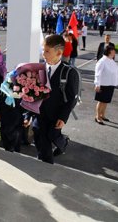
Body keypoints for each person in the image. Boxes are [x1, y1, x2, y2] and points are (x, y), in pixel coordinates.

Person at [38, 35, 79, 164]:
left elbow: (72, 98)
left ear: (59, 53)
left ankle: (62, 142)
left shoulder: (68, 72)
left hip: (56, 114)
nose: (43, 54)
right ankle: (45, 165)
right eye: (43, 50)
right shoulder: (40, 68)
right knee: (40, 137)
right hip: (40, 113)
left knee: (52, 135)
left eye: (47, 51)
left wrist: (63, 117)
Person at [94, 45, 118, 125]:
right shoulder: (102, 61)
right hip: (103, 84)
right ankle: (97, 117)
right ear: (109, 51)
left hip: (110, 83)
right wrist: (97, 84)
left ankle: (102, 115)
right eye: (113, 50)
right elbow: (97, 73)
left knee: (106, 101)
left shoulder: (111, 60)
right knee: (101, 101)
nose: (115, 52)